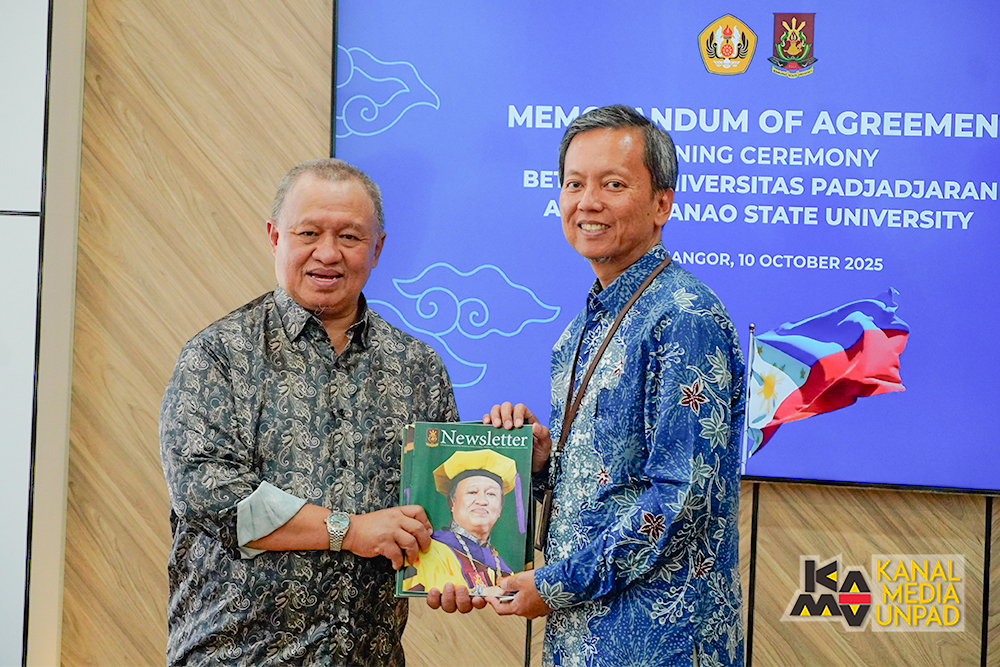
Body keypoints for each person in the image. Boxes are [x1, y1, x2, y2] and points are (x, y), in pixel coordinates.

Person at [432, 105, 746, 667]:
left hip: (659, 644)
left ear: (662, 204)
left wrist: (555, 585)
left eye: (613, 184)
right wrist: (542, 462)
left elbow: (680, 499)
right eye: (574, 184)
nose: (588, 202)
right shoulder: (581, 328)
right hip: (580, 640)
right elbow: (609, 484)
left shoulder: (683, 317)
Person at [160, 158, 458, 666]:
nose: (328, 253)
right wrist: (351, 530)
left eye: (350, 236)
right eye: (309, 233)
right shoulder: (218, 356)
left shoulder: (418, 368)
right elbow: (209, 495)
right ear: (275, 237)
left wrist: (459, 569)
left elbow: (444, 505)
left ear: (377, 248)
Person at [402, 449, 516, 595]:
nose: (482, 501)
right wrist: (481, 592)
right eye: (472, 492)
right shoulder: (431, 549)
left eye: (491, 494)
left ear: (500, 508)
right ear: (452, 502)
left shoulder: (498, 563)